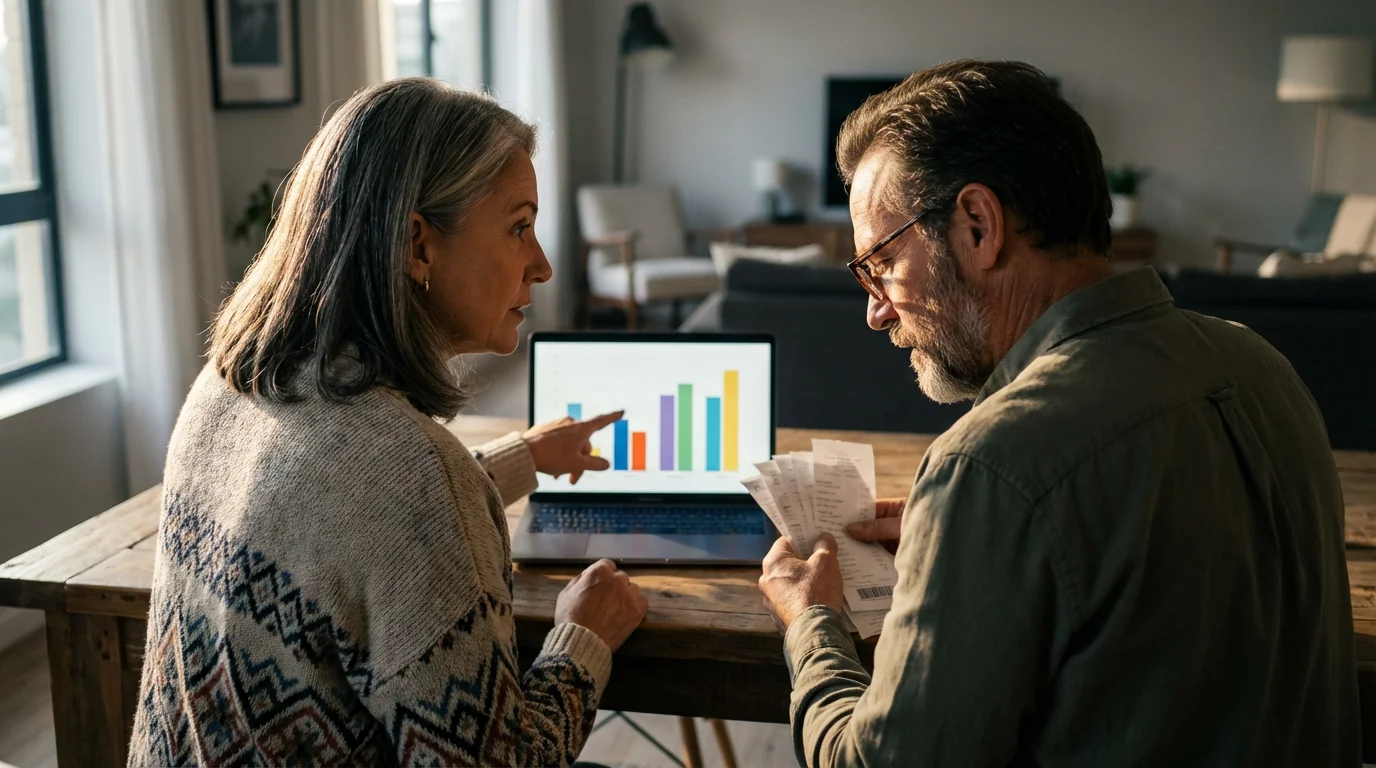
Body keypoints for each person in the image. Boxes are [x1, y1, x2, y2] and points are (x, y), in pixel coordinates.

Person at [758, 60, 1358, 766]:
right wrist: (973, 541)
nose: (874, 310)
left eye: (881, 262)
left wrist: (813, 621)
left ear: (978, 225)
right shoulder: (1263, 368)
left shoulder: (992, 463)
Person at [128, 79, 648, 766]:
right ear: (417, 244)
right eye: (519, 226)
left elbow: (341, 522)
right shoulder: (411, 477)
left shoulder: (227, 386)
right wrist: (584, 638)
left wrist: (522, 456)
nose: (543, 266)